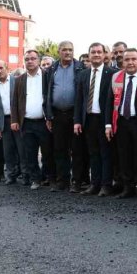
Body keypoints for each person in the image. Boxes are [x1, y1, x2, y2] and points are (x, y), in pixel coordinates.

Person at [105, 48, 137, 199]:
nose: (131, 62)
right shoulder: (116, 77)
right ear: (123, 61)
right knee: (124, 156)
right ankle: (129, 187)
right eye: (127, 60)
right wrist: (108, 124)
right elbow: (109, 103)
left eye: (134, 59)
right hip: (121, 122)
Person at [74, 43, 116, 196]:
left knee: (106, 153)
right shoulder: (83, 75)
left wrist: (109, 123)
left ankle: (106, 185)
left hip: (105, 121)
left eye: (99, 52)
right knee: (93, 153)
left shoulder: (112, 73)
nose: (96, 55)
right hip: (88, 120)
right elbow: (79, 99)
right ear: (89, 55)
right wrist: (77, 121)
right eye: (93, 52)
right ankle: (94, 184)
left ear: (105, 55)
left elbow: (112, 101)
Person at [45, 41, 83, 192]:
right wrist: (48, 115)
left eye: (70, 50)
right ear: (59, 51)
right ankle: (63, 180)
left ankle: (77, 182)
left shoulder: (80, 67)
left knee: (77, 150)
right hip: (57, 115)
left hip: (75, 115)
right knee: (60, 149)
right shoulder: (52, 69)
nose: (68, 52)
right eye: (65, 50)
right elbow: (46, 93)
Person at [12, 50, 50, 189]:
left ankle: (48, 178)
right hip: (26, 122)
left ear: (38, 61)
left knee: (47, 152)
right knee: (30, 153)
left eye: (33, 58)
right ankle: (36, 179)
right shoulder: (19, 80)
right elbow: (14, 101)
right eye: (27, 59)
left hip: (44, 121)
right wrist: (14, 120)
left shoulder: (47, 76)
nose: (30, 61)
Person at [0, 60, 18, 183]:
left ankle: (28, 176)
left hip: (18, 119)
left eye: (1, 68)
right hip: (4, 122)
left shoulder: (16, 81)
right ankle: (11, 176)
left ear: (7, 68)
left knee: (23, 149)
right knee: (8, 151)